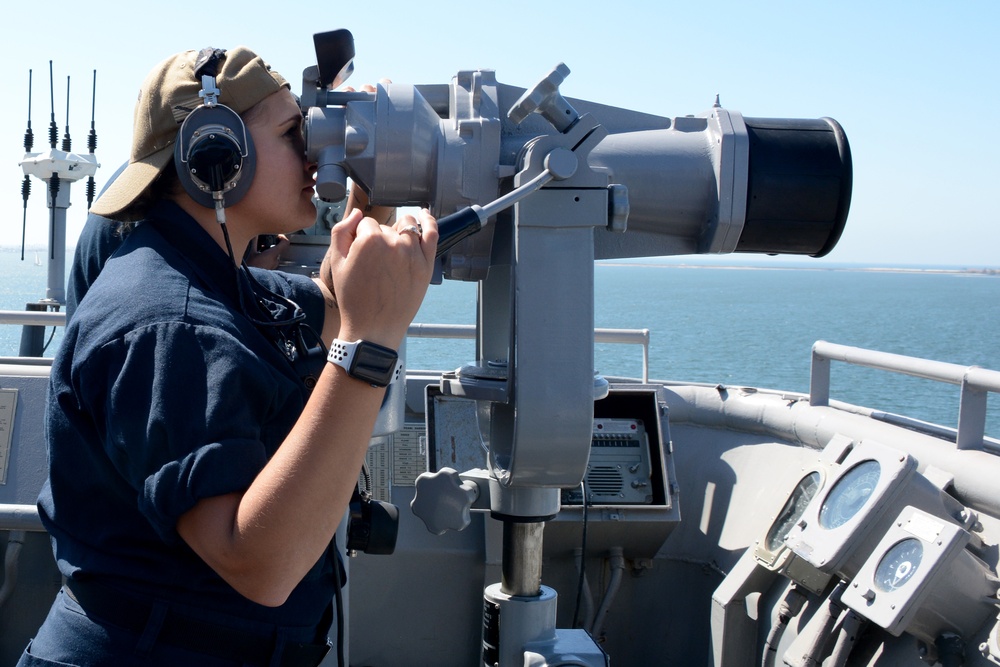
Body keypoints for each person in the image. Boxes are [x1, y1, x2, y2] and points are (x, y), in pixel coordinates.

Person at [20, 45, 437, 667]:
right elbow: (259, 564)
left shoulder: (216, 280)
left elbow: (328, 305)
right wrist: (370, 344)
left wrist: (373, 188)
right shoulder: (167, 322)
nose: (312, 151)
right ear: (216, 156)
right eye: (294, 132)